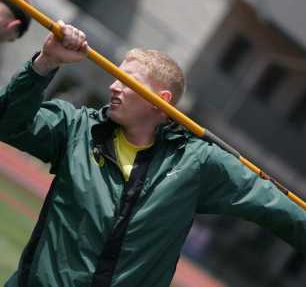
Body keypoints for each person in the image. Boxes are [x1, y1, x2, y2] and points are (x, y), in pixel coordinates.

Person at [2, 21, 306, 287]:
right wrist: (45, 62)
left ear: (159, 101)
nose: (113, 86)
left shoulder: (196, 163)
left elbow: (274, 205)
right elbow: (8, 124)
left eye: (126, 80)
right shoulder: (76, 128)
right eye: (114, 75)